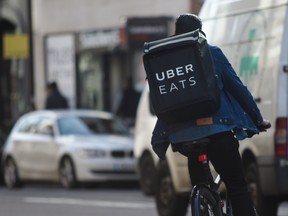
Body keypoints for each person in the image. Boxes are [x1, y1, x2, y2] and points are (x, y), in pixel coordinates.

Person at [151, 14, 270, 216]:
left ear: (176, 34)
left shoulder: (165, 62)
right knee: (237, 186)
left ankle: (202, 197)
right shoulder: (211, 53)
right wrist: (257, 119)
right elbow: (237, 88)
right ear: (200, 31)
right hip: (218, 131)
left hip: (184, 138)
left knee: (200, 182)